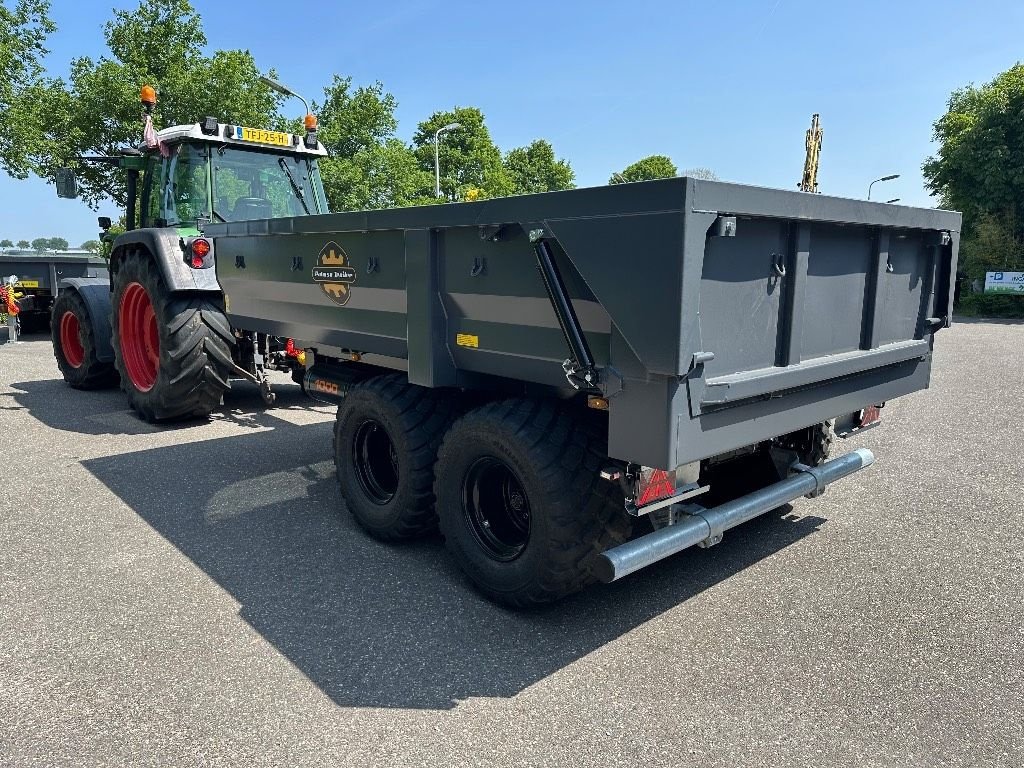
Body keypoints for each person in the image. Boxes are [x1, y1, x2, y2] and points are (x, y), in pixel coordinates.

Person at [1, 275, 21, 343]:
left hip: (10, 308)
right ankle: (12, 340)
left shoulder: (7, 288)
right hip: (11, 309)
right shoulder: (10, 289)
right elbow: (10, 300)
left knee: (12, 324)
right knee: (12, 324)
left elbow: (11, 297)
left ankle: (12, 339)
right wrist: (15, 309)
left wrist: (19, 294)